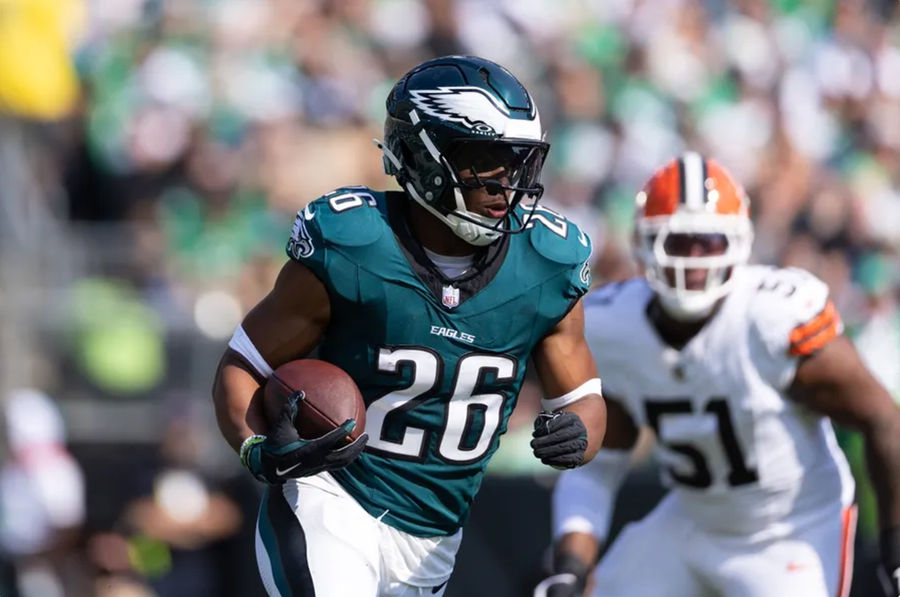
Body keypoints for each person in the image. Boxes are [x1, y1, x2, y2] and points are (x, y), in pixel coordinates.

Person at [211, 55, 607, 597]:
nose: (504, 182)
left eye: (515, 162)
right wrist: (256, 445)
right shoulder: (356, 244)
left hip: (434, 541)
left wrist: (579, 433)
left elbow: (585, 399)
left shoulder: (546, 263)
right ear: (422, 157)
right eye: (483, 160)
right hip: (332, 499)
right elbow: (244, 366)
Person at [536, 153, 900, 597]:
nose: (693, 260)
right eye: (678, 242)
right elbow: (599, 464)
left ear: (739, 243)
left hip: (790, 529)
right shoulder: (613, 326)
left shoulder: (773, 316)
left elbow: (884, 418)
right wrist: (571, 566)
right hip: (692, 518)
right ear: (643, 243)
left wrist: (895, 547)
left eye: (707, 243)